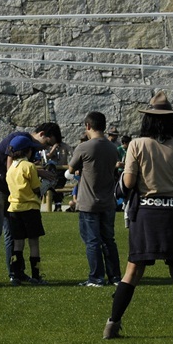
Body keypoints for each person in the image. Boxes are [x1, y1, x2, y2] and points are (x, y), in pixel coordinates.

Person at [103, 91, 173, 340]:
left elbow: (127, 182)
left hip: (147, 211)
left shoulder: (137, 144)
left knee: (133, 271)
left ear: (147, 120)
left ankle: (112, 325)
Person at [0, 122, 62, 286]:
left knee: (14, 235)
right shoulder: (19, 139)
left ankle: (16, 274)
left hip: (7, 192)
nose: (46, 147)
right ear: (42, 134)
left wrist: (37, 171)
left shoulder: (29, 145)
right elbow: (11, 169)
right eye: (48, 143)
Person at [68, 111, 122, 288]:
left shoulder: (84, 147)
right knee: (109, 240)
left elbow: (71, 168)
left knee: (92, 241)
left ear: (88, 126)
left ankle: (96, 277)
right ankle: (115, 277)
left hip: (89, 201)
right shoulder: (113, 147)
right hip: (108, 200)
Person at [6, 136, 47, 285]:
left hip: (14, 210)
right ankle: (36, 275)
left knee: (18, 244)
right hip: (30, 208)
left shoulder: (11, 168)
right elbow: (36, 188)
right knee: (34, 243)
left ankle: (16, 274)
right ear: (27, 151)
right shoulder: (29, 166)